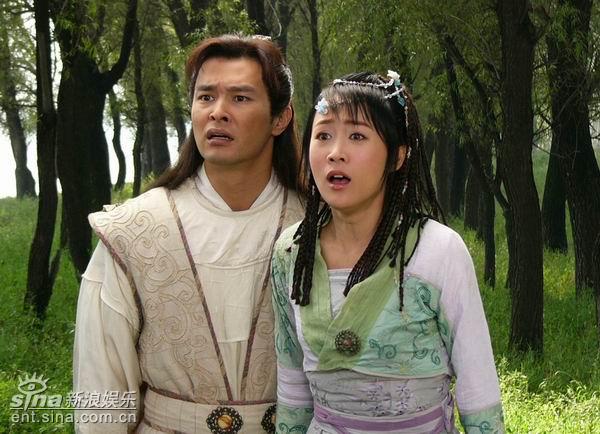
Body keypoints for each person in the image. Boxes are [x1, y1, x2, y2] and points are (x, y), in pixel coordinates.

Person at [73, 34, 305, 433]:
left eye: (240, 98)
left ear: (280, 118)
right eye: (205, 97)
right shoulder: (135, 231)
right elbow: (101, 387)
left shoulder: (316, 226)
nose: (218, 112)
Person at [271, 71, 505, 433]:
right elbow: (292, 390)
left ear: (397, 156)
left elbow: (479, 391)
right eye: (323, 135)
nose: (335, 152)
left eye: (357, 136)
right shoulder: (292, 253)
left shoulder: (438, 250)